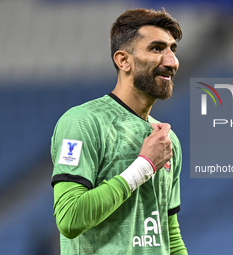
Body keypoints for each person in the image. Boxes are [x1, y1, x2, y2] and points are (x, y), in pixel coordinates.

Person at [51, 8, 187, 255]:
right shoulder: (83, 122)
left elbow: (169, 236)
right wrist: (144, 166)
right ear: (123, 60)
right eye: (157, 48)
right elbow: (70, 219)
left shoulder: (167, 142)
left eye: (172, 49)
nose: (171, 61)